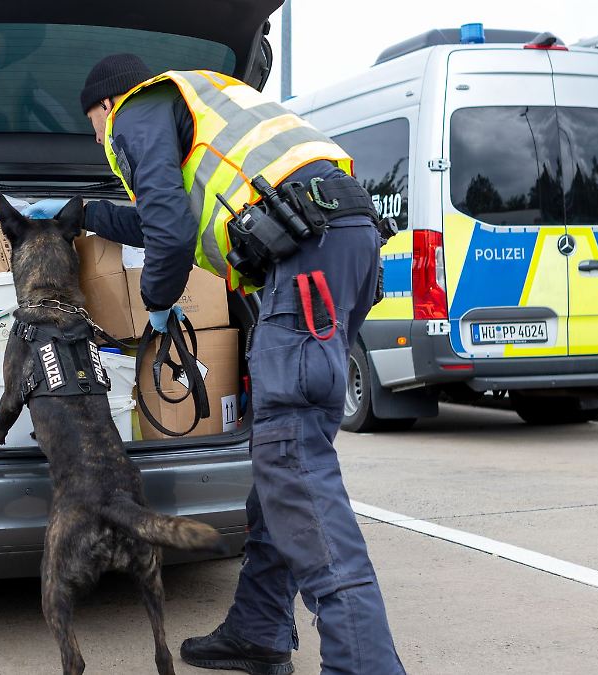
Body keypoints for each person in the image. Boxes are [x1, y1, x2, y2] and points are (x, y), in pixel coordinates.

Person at [78, 54, 403, 674]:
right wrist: (87, 214)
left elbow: (169, 233)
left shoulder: (136, 109)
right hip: (340, 244)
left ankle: (365, 666)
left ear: (104, 104)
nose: (97, 140)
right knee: (284, 464)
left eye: (92, 125)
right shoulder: (202, 104)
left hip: (306, 257)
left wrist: (155, 305)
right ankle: (259, 629)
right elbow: (161, 217)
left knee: (295, 468)